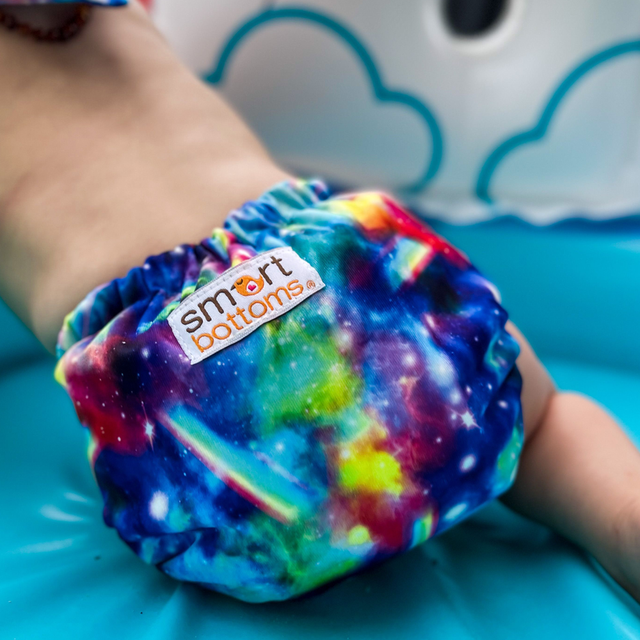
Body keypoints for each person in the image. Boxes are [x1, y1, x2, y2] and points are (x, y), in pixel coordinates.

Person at [1, 0, 640, 603]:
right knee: (544, 425)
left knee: (243, 520)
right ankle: (622, 517)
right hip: (340, 262)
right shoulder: (108, 16)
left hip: (178, 384)